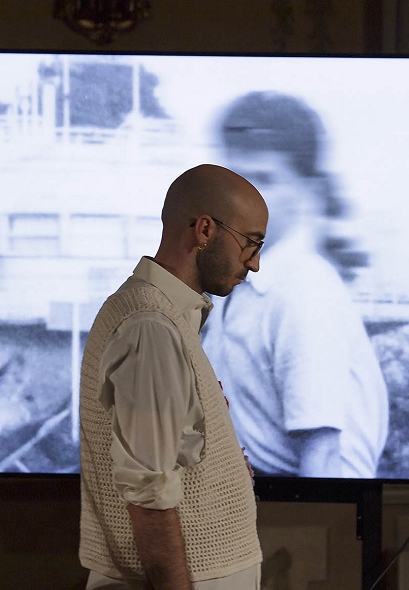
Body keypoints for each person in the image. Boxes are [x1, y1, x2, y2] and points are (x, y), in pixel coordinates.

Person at [78, 164, 268, 589]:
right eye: (251, 243)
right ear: (205, 230)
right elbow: (149, 492)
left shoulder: (163, 318)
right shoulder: (151, 325)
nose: (254, 263)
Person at [202, 91, 389, 478]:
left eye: (265, 180)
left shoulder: (303, 291)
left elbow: (322, 456)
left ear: (307, 190)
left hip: (306, 498)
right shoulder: (239, 280)